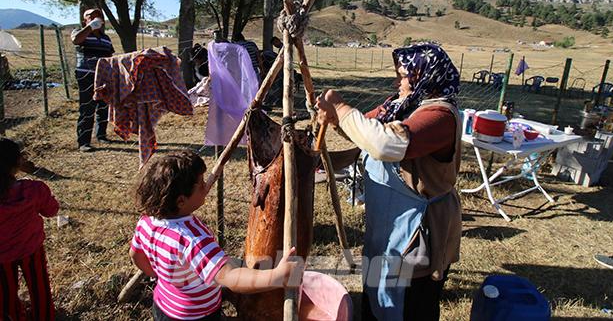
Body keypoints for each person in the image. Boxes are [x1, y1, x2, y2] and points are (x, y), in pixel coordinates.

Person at [316, 42, 462, 321]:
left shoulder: (441, 116)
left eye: (403, 76)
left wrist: (341, 107)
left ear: (425, 74)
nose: (397, 82)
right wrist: (335, 119)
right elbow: (364, 132)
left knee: (412, 306)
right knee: (377, 294)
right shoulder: (401, 105)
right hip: (387, 226)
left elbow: (384, 144)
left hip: (417, 233)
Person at [129, 150, 302, 321]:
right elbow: (229, 277)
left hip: (163, 306)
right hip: (196, 316)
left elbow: (136, 255)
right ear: (181, 201)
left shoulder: (146, 222)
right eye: (201, 184)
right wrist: (277, 276)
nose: (206, 186)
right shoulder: (193, 239)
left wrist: (163, 276)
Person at [0, 138, 59, 320]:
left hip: (2, 256)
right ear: (18, 162)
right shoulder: (33, 189)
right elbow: (51, 211)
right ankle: (45, 315)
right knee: (39, 287)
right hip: (31, 248)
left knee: (6, 294)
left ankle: (13, 316)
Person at [71, 8, 115, 152]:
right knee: (87, 108)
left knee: (103, 106)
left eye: (98, 16)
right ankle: (84, 142)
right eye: (91, 16)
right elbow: (76, 40)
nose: (96, 18)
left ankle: (101, 135)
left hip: (103, 77)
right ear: (85, 20)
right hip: (86, 75)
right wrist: (90, 27)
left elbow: (110, 56)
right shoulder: (79, 32)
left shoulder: (106, 38)